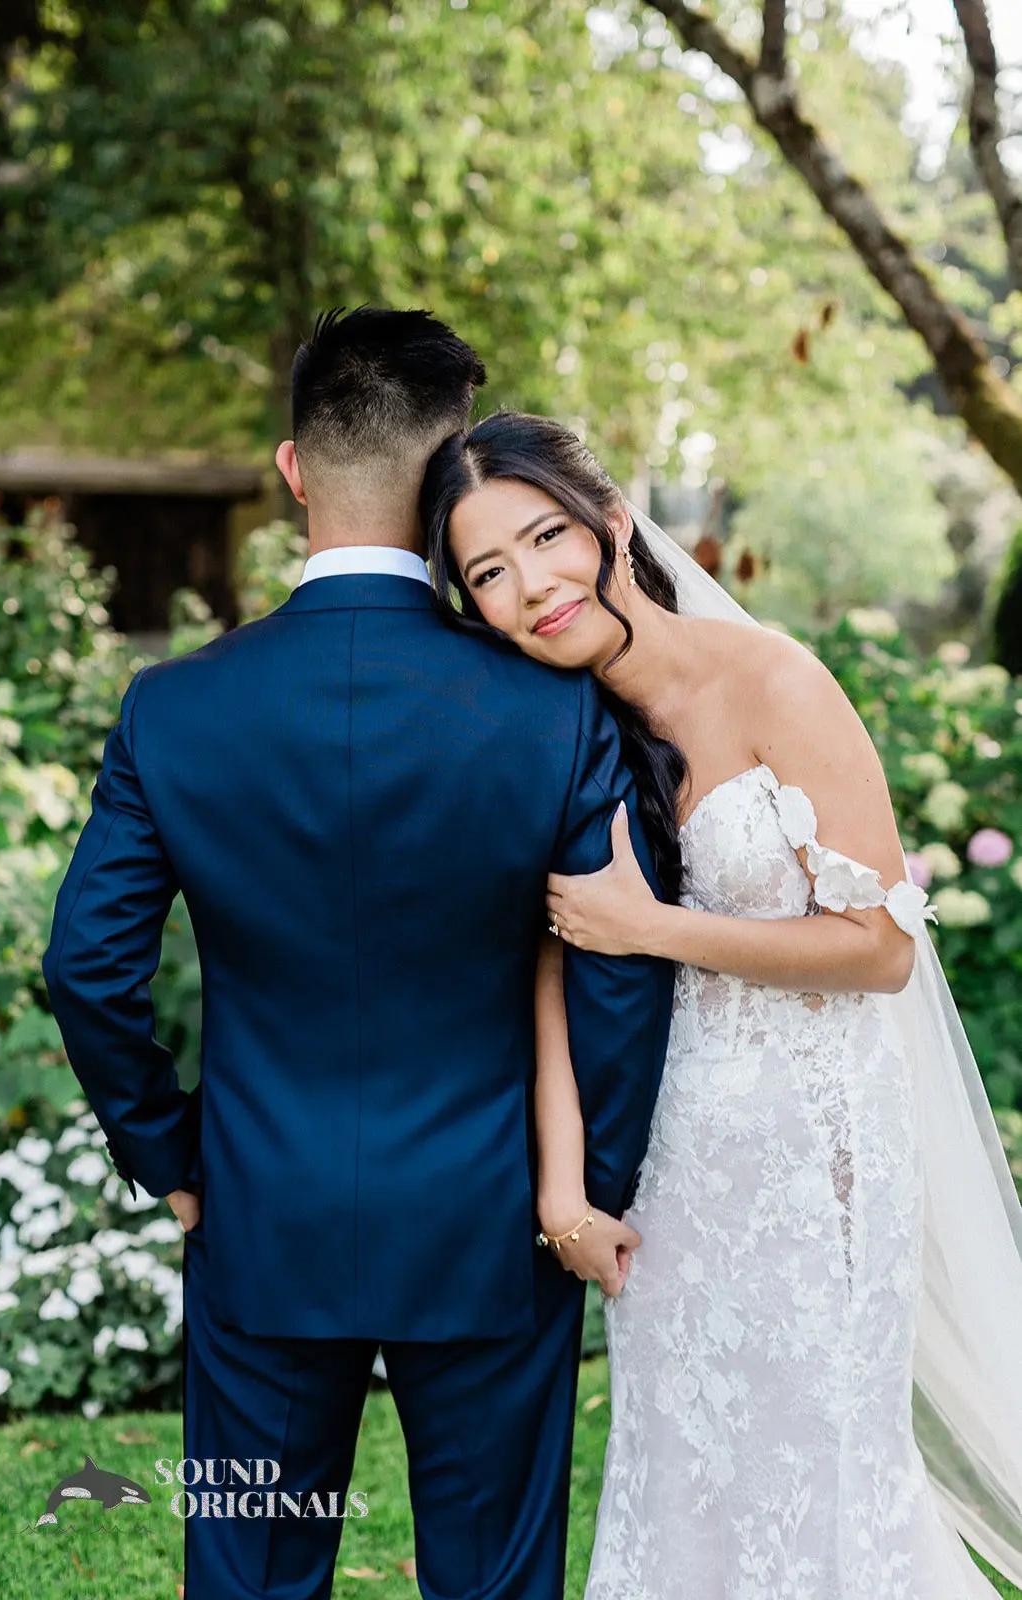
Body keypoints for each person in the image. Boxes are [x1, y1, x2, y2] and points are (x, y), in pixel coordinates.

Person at [41, 311, 675, 1600]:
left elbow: (88, 966)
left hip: (260, 1211)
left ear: (292, 469)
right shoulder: (552, 704)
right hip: (496, 1220)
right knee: (491, 1583)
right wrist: (583, 1191)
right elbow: (613, 964)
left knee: (253, 1571)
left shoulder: (173, 707)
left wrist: (173, 1158)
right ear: (450, 477)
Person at [421, 409, 1022, 1598]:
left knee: (826, 1472)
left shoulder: (772, 680)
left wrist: (651, 928)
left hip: (819, 1156)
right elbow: (549, 964)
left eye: (544, 538)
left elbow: (878, 950)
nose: (530, 586)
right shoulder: (552, 729)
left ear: (609, 522)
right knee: (682, 1471)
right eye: (486, 573)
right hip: (667, 1165)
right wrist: (563, 1191)